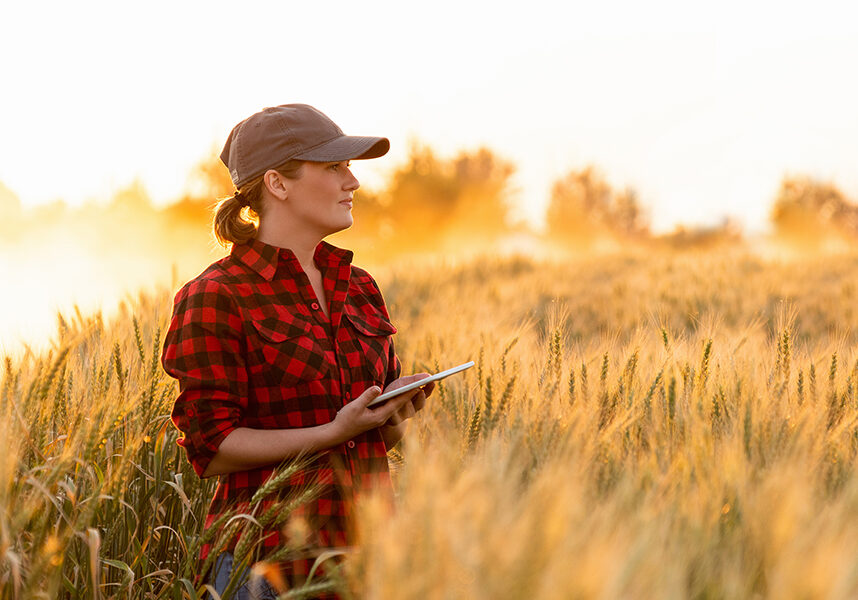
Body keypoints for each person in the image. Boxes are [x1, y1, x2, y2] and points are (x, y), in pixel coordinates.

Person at [161, 104, 434, 599]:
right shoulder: (218, 295)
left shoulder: (360, 287)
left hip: (366, 558)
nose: (353, 182)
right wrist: (334, 431)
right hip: (265, 567)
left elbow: (364, 446)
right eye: (333, 167)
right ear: (277, 184)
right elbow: (212, 448)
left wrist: (390, 417)